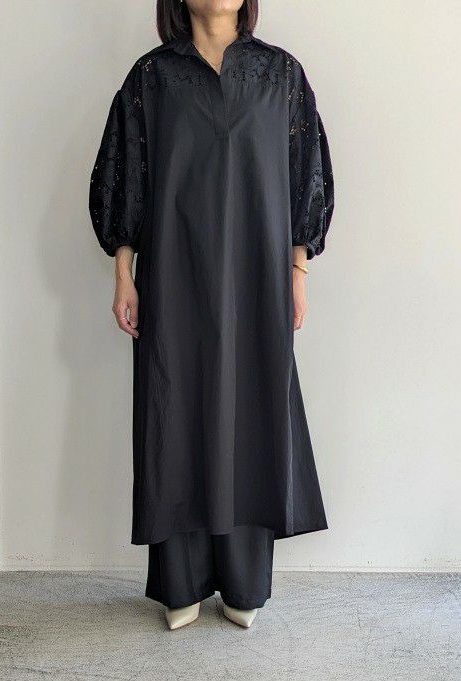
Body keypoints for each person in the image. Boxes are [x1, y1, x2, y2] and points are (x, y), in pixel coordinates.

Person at [89, 0, 334, 630]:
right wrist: (124, 272)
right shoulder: (152, 78)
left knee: (252, 412)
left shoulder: (280, 75)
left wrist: (298, 272)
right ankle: (182, 582)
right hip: (175, 274)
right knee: (175, 411)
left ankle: (245, 582)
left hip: (258, 280)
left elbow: (305, 176)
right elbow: (127, 177)